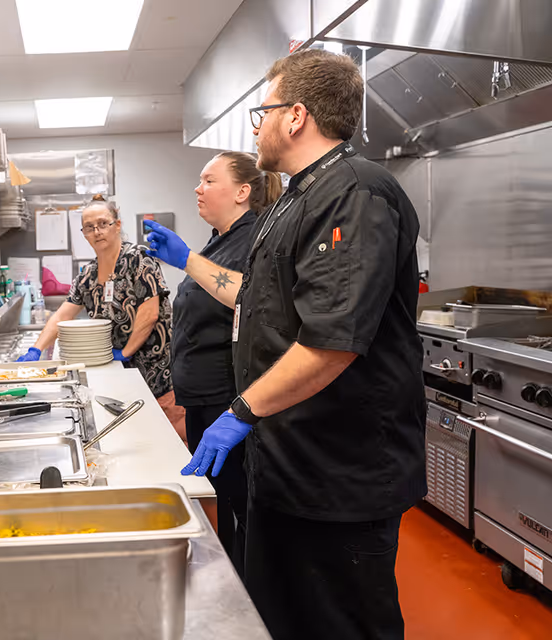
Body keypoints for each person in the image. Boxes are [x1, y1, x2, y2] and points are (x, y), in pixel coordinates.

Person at [144, 49, 426, 640]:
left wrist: (239, 411)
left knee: (342, 621)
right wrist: (189, 261)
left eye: (263, 109)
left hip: (339, 470)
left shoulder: (354, 192)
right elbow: (254, 299)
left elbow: (332, 342)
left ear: (295, 116)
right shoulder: (297, 197)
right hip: (288, 461)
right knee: (282, 615)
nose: (256, 124)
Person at [171, 151, 282, 574]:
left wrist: (186, 261)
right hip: (202, 397)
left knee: (239, 506)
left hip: (226, 398)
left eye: (208, 180)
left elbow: (246, 299)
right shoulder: (220, 239)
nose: (198, 188)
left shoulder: (253, 239)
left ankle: (249, 595)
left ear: (242, 191)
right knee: (225, 502)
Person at [17, 195, 184, 434]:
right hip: (116, 381)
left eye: (103, 224)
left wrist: (125, 353)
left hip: (157, 381)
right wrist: (37, 349)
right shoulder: (88, 275)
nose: (97, 231)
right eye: (89, 227)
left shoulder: (140, 259)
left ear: (117, 225)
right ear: (83, 233)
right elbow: (62, 315)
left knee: (169, 447)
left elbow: (149, 315)